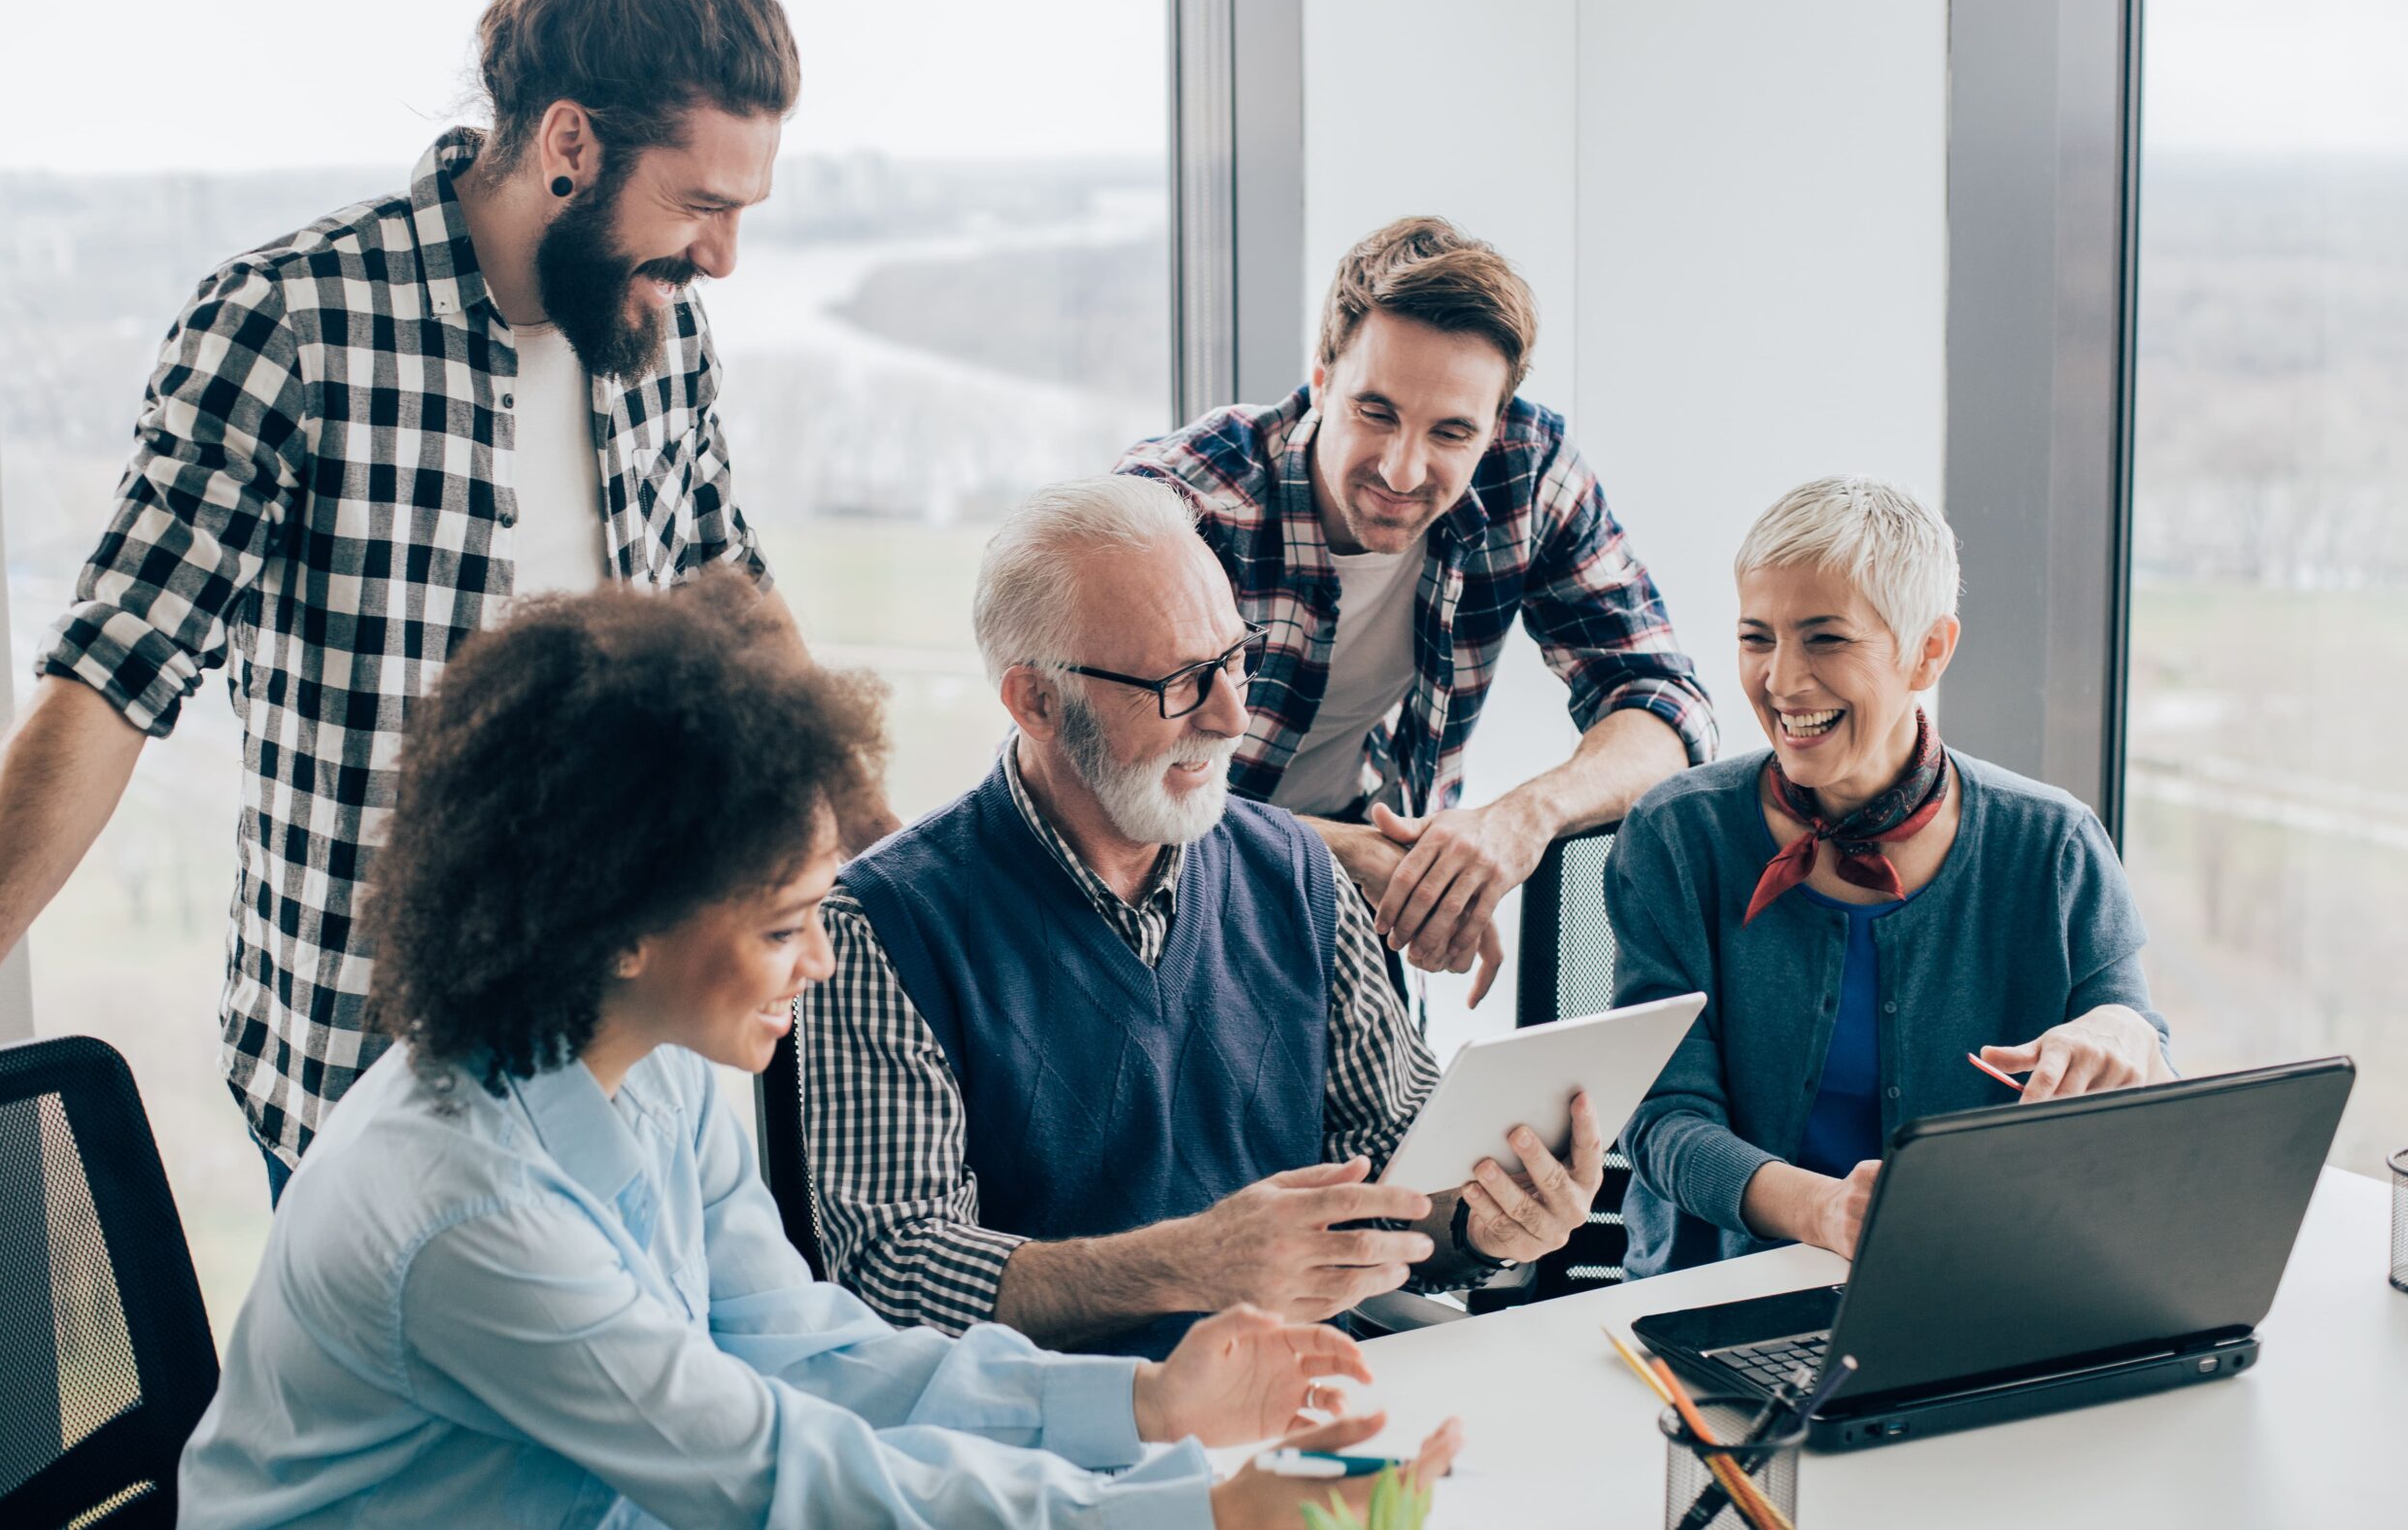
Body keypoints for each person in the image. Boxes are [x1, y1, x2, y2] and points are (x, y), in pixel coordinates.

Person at [0, 0, 892, 1194]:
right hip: (366, 1062)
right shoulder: (290, 324)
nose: (721, 256)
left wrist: (897, 863)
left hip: (624, 1060)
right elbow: (110, 677)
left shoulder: (654, 323)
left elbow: (731, 590)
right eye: (700, 204)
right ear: (567, 143)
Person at [176, 573, 1461, 1529]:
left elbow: (803, 1347)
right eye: (788, 923)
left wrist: (1148, 1408)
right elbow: (767, 1471)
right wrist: (1200, 1511)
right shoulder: (464, 1212)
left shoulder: (654, 1058)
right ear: (623, 925)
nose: (826, 959)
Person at [801, 476, 1605, 1359]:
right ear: (1035, 701)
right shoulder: (880, 924)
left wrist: (1492, 1218)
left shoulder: (1296, 872)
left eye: (1233, 659)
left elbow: (1397, 1175)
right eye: (1181, 683)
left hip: (1308, 1419)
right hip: (1054, 1460)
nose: (1231, 716)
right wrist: (1187, 1264)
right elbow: (891, 1273)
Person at [1117, 216, 1716, 1005]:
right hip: (1146, 895)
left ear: (1496, 425)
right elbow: (1110, 785)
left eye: (1451, 431)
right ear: (1322, 379)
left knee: (1418, 1124)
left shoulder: (1528, 474)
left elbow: (1665, 706)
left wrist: (1513, 825)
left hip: (1358, 871)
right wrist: (1340, 854)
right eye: (1376, 412)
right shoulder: (1178, 505)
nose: (1403, 469)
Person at [1610, 476, 2174, 1278]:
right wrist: (1824, 1212)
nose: (1781, 680)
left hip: (1987, 1285)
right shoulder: (1675, 834)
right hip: (1722, 1297)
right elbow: (1664, 1119)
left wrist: (2127, 1034)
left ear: (1929, 650)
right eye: (1756, 637)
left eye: (1825, 638)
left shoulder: (2055, 845)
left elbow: (2147, 1088)